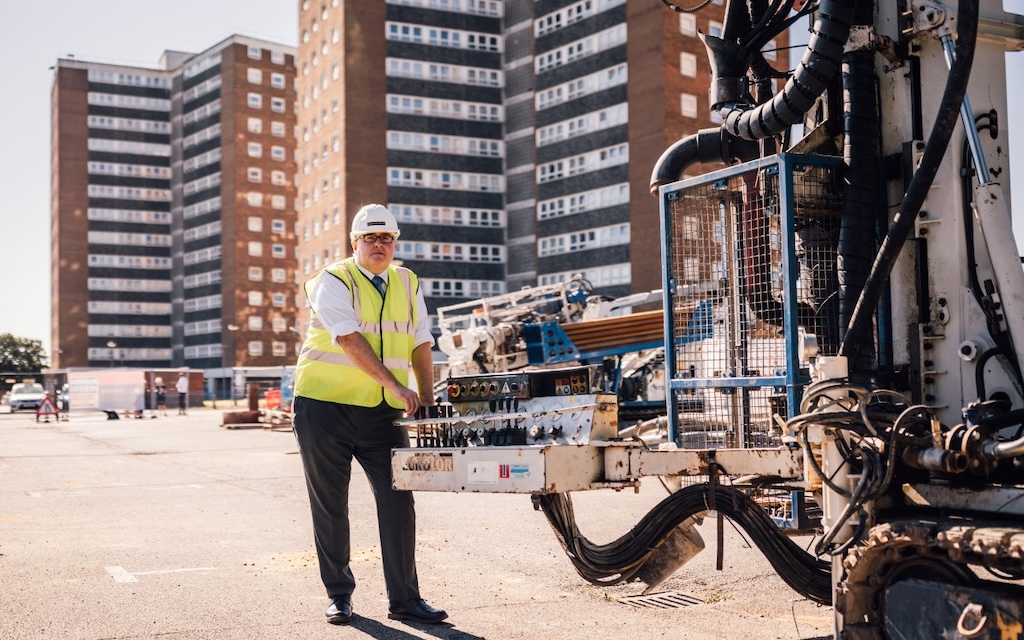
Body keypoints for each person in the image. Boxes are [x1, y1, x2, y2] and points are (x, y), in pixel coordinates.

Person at [292, 204, 446, 626]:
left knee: (399, 503)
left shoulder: (407, 280)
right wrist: (396, 385)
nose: (379, 245)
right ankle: (339, 595)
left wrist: (427, 401)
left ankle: (406, 600)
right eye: (370, 238)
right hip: (324, 408)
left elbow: (420, 341)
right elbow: (347, 338)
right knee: (331, 506)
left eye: (387, 239)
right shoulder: (333, 280)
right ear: (354, 243)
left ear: (395, 243)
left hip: (382, 414)